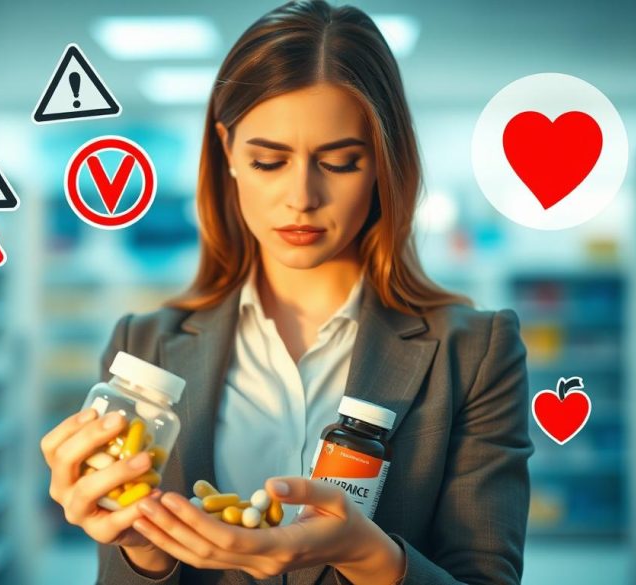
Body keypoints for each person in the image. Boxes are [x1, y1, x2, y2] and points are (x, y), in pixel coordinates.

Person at [39, 1, 533, 583]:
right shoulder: (143, 347)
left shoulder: (474, 350)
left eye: (341, 162)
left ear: (382, 163)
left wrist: (368, 555)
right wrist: (140, 551)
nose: (302, 196)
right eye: (269, 161)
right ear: (227, 152)